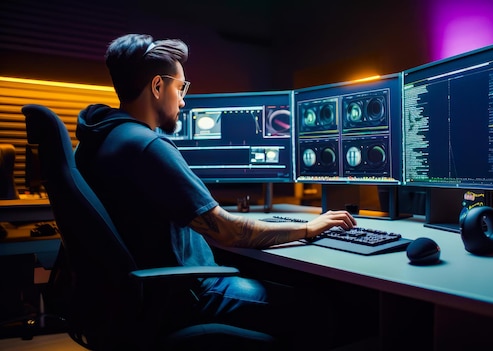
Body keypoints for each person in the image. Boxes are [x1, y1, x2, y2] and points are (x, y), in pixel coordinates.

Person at [74, 33, 357, 345]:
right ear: (157, 86)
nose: (182, 100)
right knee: (322, 310)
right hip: (186, 295)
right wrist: (308, 228)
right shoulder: (148, 147)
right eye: (180, 88)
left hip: (136, 299)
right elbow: (228, 232)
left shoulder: (99, 139)